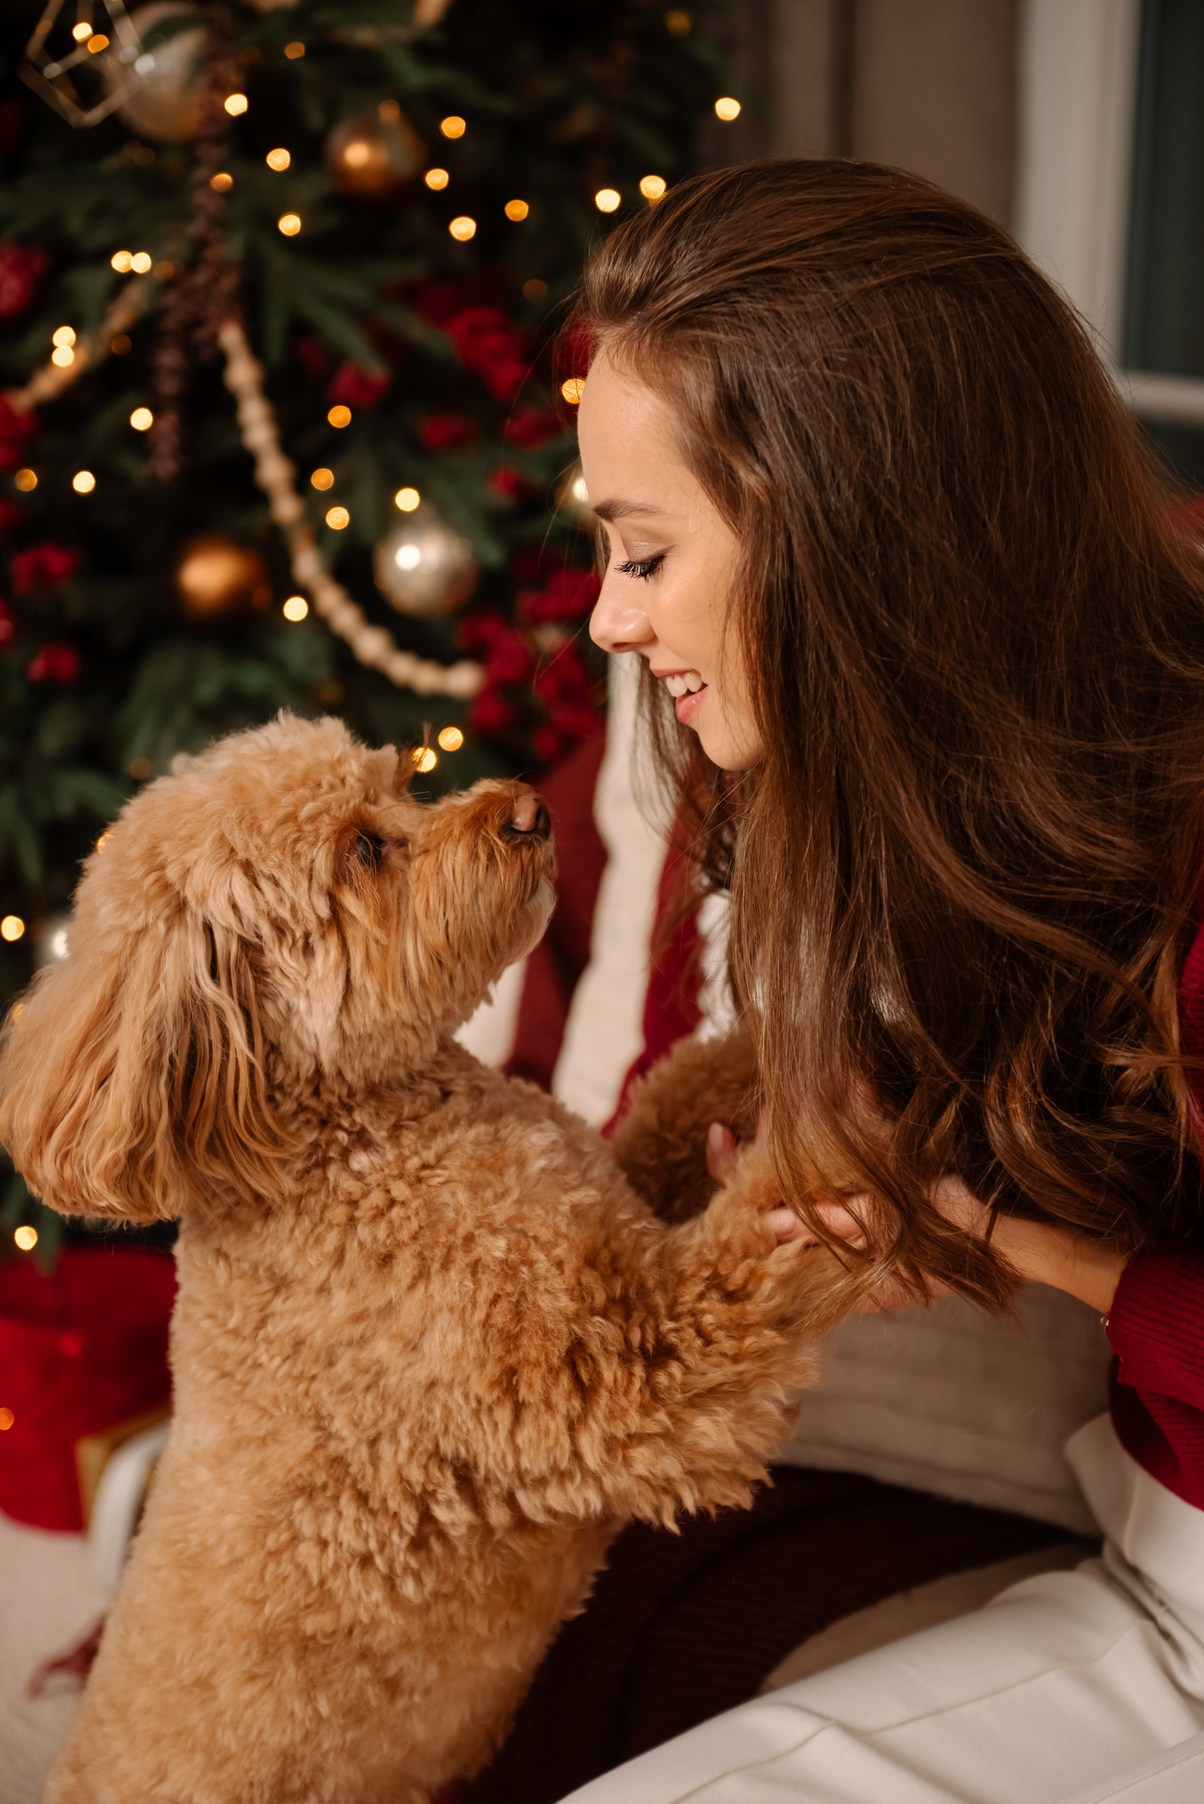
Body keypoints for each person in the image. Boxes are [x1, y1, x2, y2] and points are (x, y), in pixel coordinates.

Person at [562, 158, 1204, 1802]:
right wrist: (920, 1191)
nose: (605, 622)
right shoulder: (980, 808)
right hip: (1159, 1580)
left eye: (645, 553)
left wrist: (999, 1231)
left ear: (851, 531)